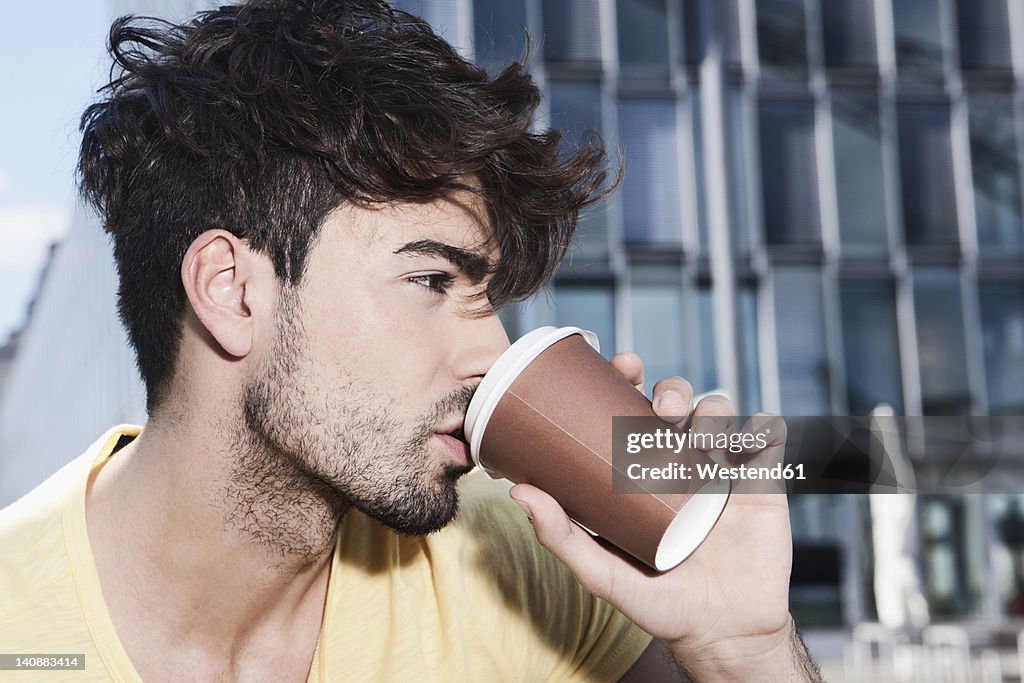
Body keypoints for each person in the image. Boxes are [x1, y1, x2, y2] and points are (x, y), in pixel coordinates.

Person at [0, 1, 821, 680]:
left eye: (489, 295)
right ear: (231, 291)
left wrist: (741, 648)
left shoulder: (529, 561)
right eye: (432, 281)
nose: (491, 352)